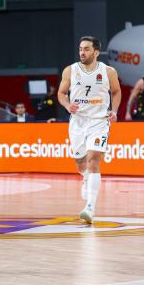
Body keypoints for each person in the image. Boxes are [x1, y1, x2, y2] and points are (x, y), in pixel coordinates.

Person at [57, 36, 121, 224]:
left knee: (93, 160)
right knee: (80, 161)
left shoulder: (108, 72)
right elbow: (61, 93)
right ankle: (85, 177)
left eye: (86, 49)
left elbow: (116, 92)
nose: (82, 53)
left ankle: (90, 208)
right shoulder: (70, 70)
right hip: (78, 121)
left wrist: (114, 110)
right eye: (80, 49)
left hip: (99, 121)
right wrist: (68, 106)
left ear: (96, 52)